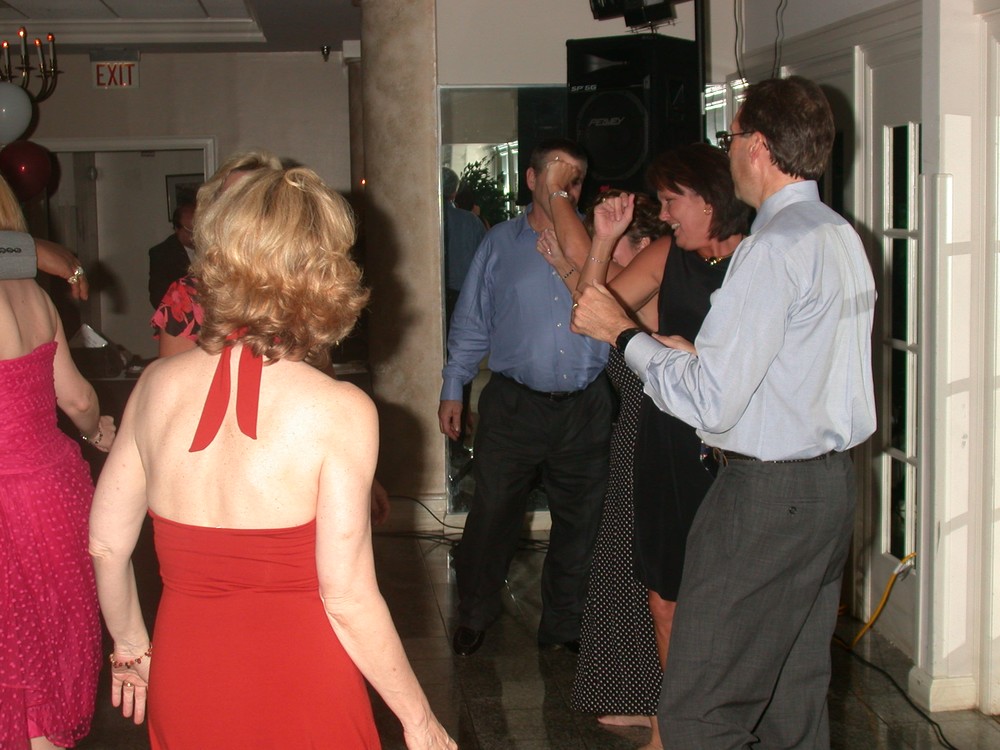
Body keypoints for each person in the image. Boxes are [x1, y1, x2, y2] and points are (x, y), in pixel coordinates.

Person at [89, 167, 453, 748]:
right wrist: (419, 720)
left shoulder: (155, 386)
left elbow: (107, 544)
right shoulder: (340, 410)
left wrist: (131, 646)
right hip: (304, 680)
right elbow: (347, 597)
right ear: (323, 271)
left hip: (187, 675)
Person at [572, 76, 876, 749]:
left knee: (699, 711)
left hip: (766, 496)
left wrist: (624, 337)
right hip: (829, 488)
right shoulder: (837, 234)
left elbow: (710, 401)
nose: (729, 148)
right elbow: (798, 370)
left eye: (731, 136)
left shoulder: (772, 248)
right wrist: (693, 354)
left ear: (758, 147)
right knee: (791, 704)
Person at [440, 137, 614, 657]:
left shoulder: (598, 243)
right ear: (533, 179)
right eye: (558, 175)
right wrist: (454, 386)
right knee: (491, 515)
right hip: (515, 404)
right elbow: (472, 321)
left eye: (576, 179)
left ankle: (564, 625)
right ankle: (474, 613)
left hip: (585, 405)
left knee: (581, 522)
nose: (567, 188)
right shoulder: (500, 244)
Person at [536, 188, 669, 750]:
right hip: (635, 435)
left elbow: (589, 287)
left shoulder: (656, 277)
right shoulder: (632, 287)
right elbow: (588, 304)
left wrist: (558, 193)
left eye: (620, 251)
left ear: (645, 246)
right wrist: (573, 259)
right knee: (623, 568)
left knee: (651, 577)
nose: (613, 259)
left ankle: (662, 711)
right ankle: (640, 698)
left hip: (658, 438)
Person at [0, 174, 116, 750]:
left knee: (13, 659)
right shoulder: (34, 297)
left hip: (8, 499)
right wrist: (97, 433)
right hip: (53, 488)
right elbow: (77, 400)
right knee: (49, 641)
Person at [442, 166, 486, 327]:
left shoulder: (422, 220)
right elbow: (486, 259)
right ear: (454, 192)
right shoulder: (471, 221)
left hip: (434, 294)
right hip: (465, 295)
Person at [148, 200, 196, 309]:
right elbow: (158, 298)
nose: (195, 236)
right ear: (177, 229)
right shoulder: (162, 254)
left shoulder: (211, 248)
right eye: (189, 231)